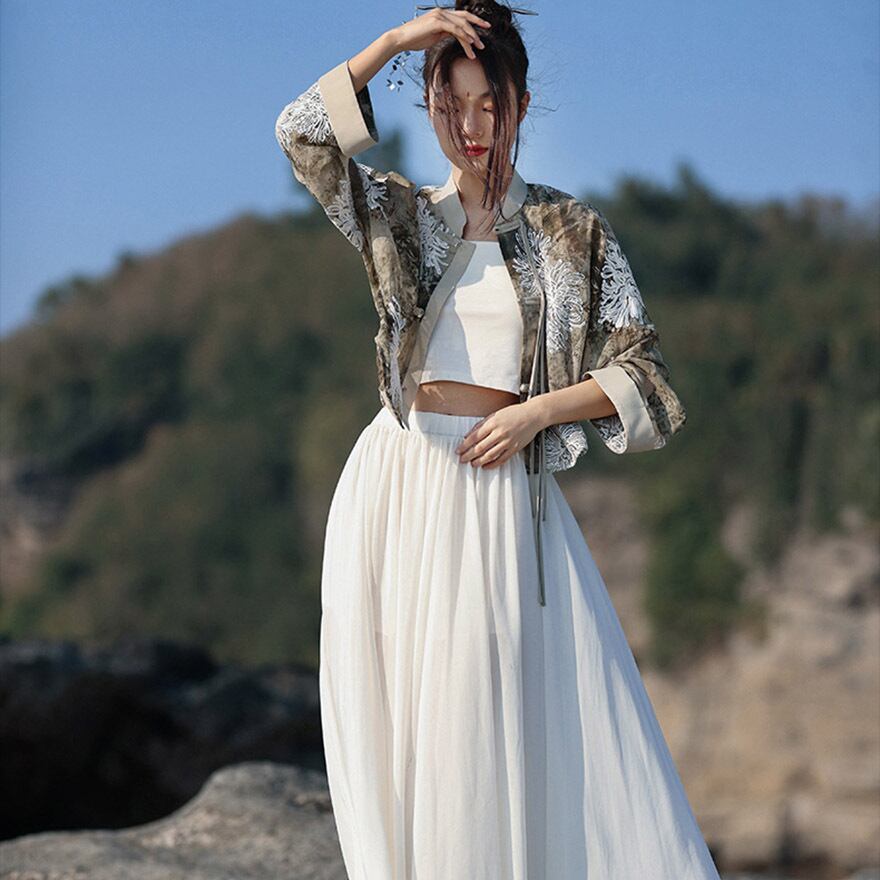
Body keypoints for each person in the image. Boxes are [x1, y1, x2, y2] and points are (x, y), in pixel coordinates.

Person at [275, 2, 722, 877]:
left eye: (491, 104)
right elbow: (302, 134)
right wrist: (398, 42)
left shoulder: (570, 230)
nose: (472, 126)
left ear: (519, 103)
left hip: (498, 500)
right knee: (398, 730)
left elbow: (650, 382)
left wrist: (536, 413)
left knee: (481, 727)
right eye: (452, 104)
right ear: (430, 106)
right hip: (398, 486)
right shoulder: (399, 214)